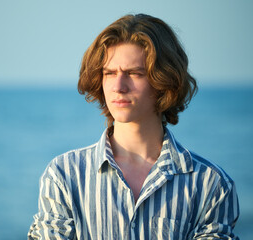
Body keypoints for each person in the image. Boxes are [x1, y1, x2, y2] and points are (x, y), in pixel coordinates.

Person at [28, 14, 239, 239]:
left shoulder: (211, 184)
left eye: (134, 74)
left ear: (164, 81)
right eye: (109, 73)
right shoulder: (64, 175)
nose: (118, 86)